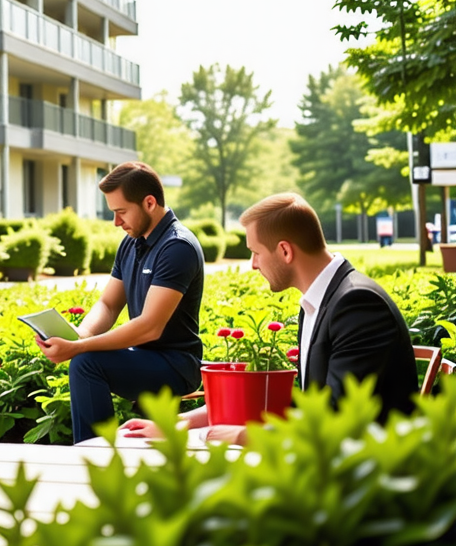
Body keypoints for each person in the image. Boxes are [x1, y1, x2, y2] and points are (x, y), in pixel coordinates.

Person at [123, 192, 418, 445]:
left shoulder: (356, 305)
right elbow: (303, 402)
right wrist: (179, 423)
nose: (252, 265)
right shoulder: (323, 300)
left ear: (285, 251)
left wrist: (237, 436)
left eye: (255, 253)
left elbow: (334, 420)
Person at [35, 161, 204, 444]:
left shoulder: (178, 247)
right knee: (84, 358)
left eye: (121, 212)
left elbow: (150, 327)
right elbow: (109, 305)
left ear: (149, 203)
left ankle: (95, 455)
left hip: (177, 365)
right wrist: (80, 334)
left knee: (86, 362)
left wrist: (79, 347)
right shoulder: (131, 242)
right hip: (144, 357)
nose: (116, 222)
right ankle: (94, 451)